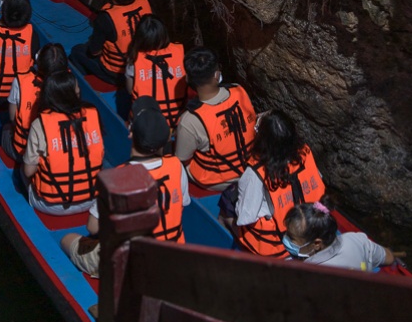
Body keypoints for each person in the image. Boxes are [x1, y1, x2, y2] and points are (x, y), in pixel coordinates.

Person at [60, 96, 190, 277]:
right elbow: (180, 205)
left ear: (130, 133)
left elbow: (92, 227)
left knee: (67, 240)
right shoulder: (177, 166)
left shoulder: (117, 177)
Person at [234, 112, 325, 257]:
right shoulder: (305, 152)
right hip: (312, 232)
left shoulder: (256, 173)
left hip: (278, 245)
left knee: (227, 204)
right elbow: (317, 178)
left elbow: (245, 217)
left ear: (262, 140)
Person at [174, 47, 258, 191]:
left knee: (178, 160)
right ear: (216, 74)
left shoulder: (190, 120)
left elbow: (181, 157)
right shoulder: (238, 90)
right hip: (251, 169)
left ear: (188, 79)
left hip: (219, 181)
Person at [22, 70, 104, 215]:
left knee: (21, 170)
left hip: (52, 205)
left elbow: (29, 172)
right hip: (91, 199)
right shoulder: (93, 114)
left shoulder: (40, 124)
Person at [70, 0, 152, 85]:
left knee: (77, 51)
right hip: (144, 65)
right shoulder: (144, 1)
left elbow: (94, 51)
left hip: (117, 73)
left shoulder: (106, 17)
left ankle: (83, 85)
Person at [283, 202, 405, 271]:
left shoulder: (302, 275)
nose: (285, 238)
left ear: (317, 244)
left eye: (291, 238)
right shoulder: (356, 240)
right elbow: (387, 256)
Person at [2, 43, 68, 160]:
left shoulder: (21, 82)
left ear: (38, 63)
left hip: (24, 151)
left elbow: (12, 117)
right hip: (56, 152)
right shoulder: (69, 84)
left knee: (6, 128)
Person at [125, 15, 187, 129]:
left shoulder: (134, 58)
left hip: (147, 124)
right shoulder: (180, 53)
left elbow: (129, 90)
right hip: (178, 121)